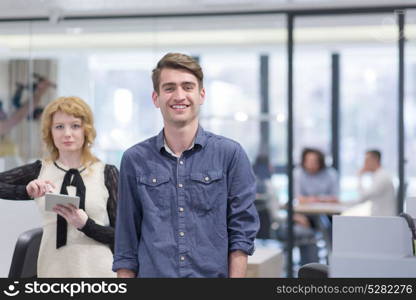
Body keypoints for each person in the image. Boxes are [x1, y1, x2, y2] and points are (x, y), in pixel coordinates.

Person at [113, 53, 260, 278]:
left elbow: (241, 234)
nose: (179, 96)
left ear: (201, 95)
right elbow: (126, 241)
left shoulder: (230, 154)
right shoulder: (134, 159)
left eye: (188, 87)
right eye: (169, 88)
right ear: (156, 98)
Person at [0, 96, 118, 277]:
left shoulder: (106, 173)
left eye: (75, 126)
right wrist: (26, 191)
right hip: (52, 273)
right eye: (59, 126)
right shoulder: (39, 170)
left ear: (86, 130)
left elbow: (122, 237)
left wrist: (86, 225)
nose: (67, 133)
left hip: (100, 274)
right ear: (50, 132)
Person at [294, 148, 339, 266]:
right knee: (309, 230)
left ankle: (333, 263)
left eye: (314, 161)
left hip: (328, 216)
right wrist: (322, 199)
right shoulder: (298, 173)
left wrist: (314, 199)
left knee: (332, 227)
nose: (311, 164)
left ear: (321, 162)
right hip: (305, 217)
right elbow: (299, 198)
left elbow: (335, 198)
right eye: (308, 161)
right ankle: (311, 268)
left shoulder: (331, 174)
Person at [357, 150, 396, 216]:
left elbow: (363, 197)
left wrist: (359, 177)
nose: (364, 164)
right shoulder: (378, 175)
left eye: (366, 160)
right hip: (380, 218)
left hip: (383, 220)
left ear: (374, 160)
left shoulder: (382, 177)